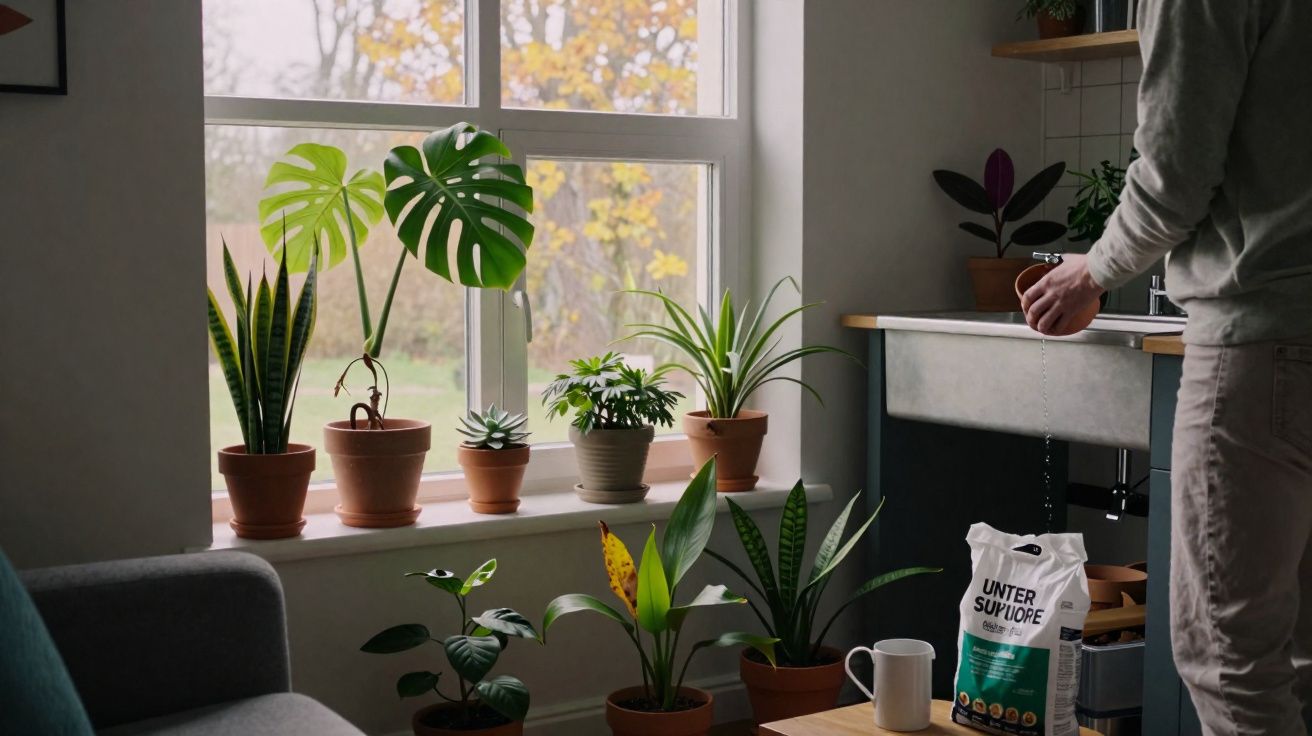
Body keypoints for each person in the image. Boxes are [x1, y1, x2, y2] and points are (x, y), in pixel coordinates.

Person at [1020, 1, 1312, 733]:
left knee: (1230, 662)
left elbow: (1173, 179)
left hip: (1259, 339)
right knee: (1298, 655)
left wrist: (1090, 274)